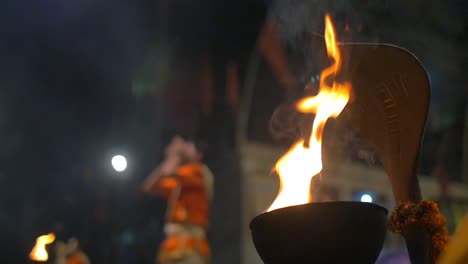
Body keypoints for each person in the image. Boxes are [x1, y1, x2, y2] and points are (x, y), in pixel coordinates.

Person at [143, 136, 214, 264]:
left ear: (199, 155)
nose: (186, 145)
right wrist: (174, 155)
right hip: (172, 245)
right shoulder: (179, 184)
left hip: (191, 246)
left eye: (189, 145)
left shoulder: (199, 172)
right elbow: (149, 187)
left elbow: (170, 172)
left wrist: (175, 154)